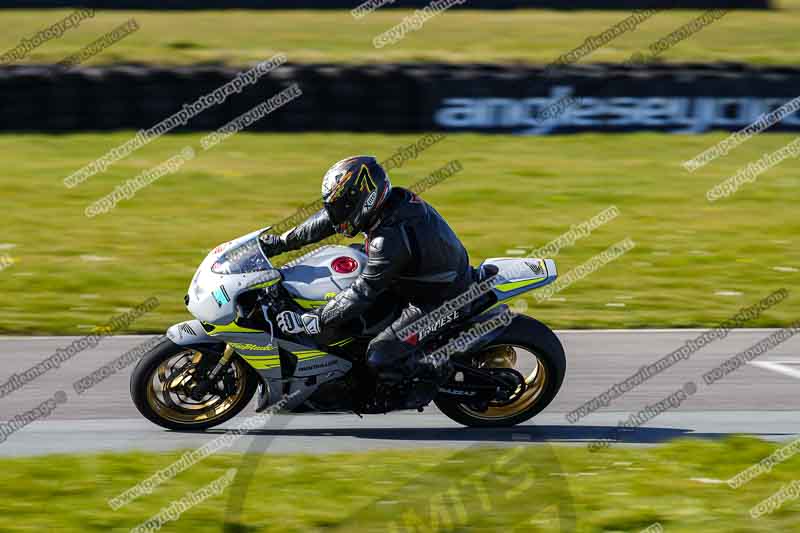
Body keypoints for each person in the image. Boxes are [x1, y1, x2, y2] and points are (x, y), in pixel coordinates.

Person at [259, 155, 473, 412]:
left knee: (381, 354)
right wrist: (281, 243)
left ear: (364, 199)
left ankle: (416, 382)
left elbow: (363, 292)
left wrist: (316, 319)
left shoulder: (389, 238)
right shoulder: (384, 207)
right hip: (408, 276)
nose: (337, 213)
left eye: (342, 206)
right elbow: (327, 222)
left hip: (439, 297)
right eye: (335, 206)